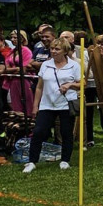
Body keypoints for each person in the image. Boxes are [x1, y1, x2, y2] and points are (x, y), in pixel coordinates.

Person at [23, 38, 80, 174]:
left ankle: (65, 160)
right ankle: (32, 161)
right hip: (47, 104)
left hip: (66, 104)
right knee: (38, 132)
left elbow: (81, 83)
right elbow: (39, 87)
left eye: (57, 49)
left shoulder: (74, 65)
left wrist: (69, 85)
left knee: (66, 133)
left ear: (65, 51)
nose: (53, 51)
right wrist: (35, 106)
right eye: (52, 49)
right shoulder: (45, 65)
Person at [1, 30, 33, 113]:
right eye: (11, 37)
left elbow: (24, 69)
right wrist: (16, 69)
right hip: (13, 81)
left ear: (22, 39)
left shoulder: (26, 51)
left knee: (28, 104)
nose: (13, 39)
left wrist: (14, 69)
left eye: (15, 37)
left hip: (24, 80)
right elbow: (5, 68)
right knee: (15, 105)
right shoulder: (11, 52)